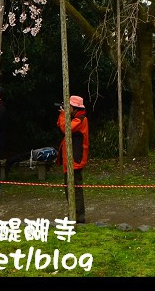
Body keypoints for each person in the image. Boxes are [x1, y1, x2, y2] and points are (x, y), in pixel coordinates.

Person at [56, 95, 89, 223]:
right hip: (70, 160)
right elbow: (61, 126)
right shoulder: (75, 118)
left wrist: (64, 115)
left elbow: (66, 129)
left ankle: (79, 217)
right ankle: (73, 214)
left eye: (68, 106)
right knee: (69, 188)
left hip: (75, 160)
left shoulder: (80, 120)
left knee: (76, 190)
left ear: (74, 108)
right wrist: (63, 115)